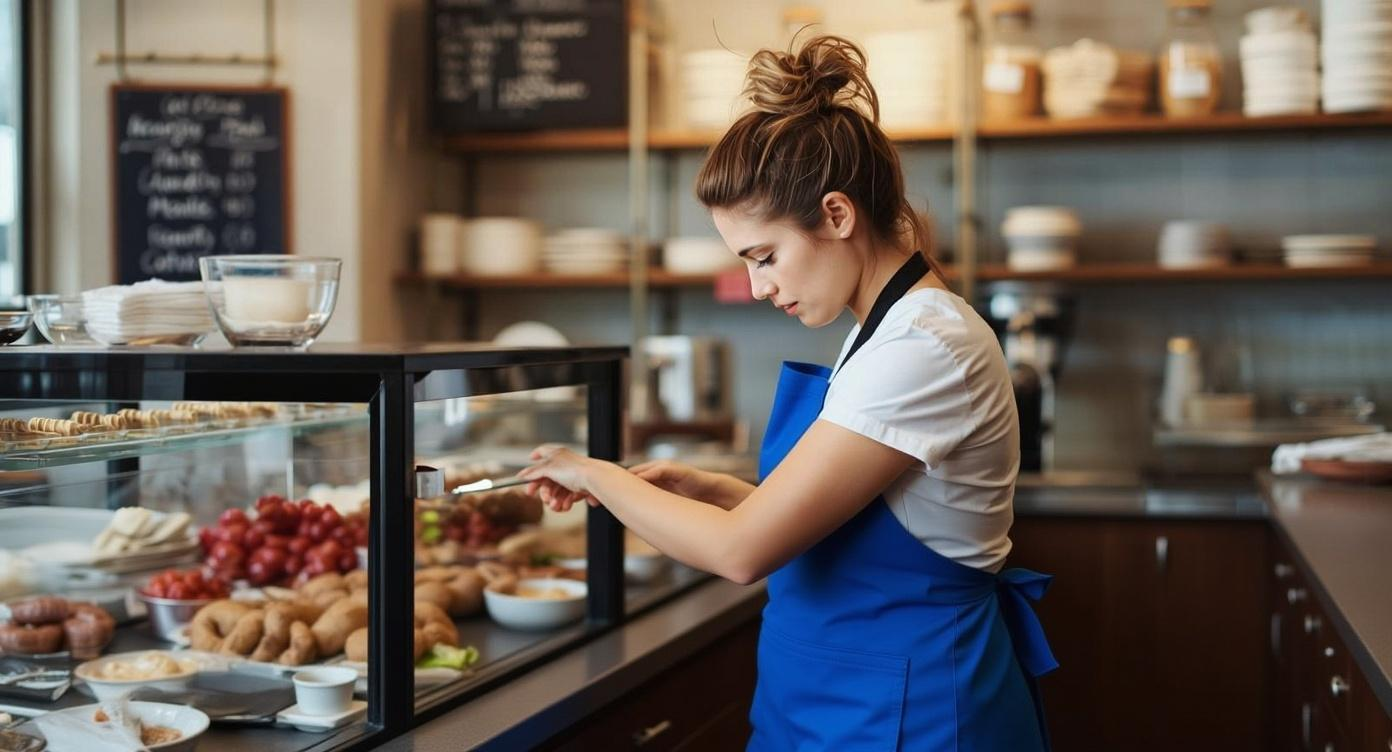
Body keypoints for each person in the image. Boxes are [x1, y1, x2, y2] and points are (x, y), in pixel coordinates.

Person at [518, 34, 1056, 751]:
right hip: (842, 699)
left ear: (836, 215)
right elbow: (863, 525)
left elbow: (741, 553)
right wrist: (714, 489)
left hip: (912, 712)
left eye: (765, 257)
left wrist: (593, 473)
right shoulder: (883, 329)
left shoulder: (924, 346)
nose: (757, 287)